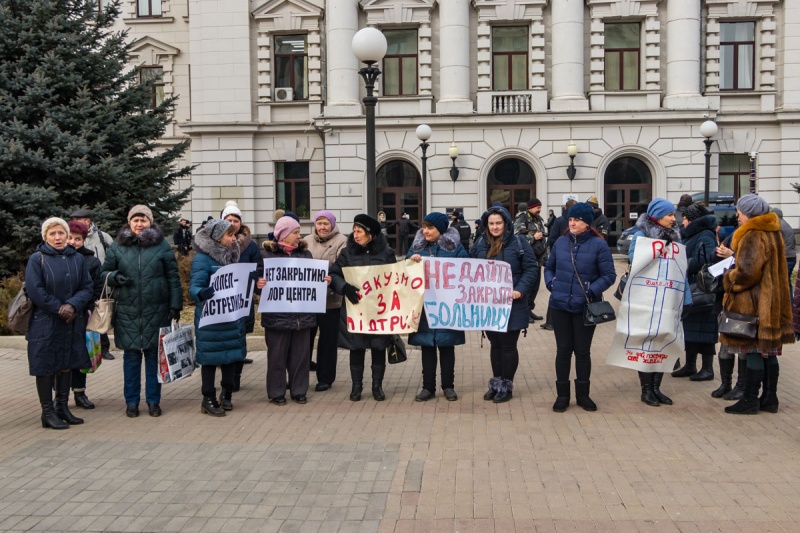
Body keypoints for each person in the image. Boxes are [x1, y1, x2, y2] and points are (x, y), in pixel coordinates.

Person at [102, 205, 183, 418]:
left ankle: (154, 401)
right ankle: (131, 402)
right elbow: (103, 273)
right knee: (131, 359)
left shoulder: (161, 245)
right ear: (129, 223)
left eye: (143, 220)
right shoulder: (118, 246)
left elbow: (173, 277)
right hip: (127, 311)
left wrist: (175, 305)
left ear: (150, 222)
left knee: (153, 358)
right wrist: (113, 278)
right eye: (135, 220)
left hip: (156, 310)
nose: (139, 224)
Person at [722, 195, 794, 414]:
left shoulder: (753, 235)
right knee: (769, 351)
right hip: (773, 301)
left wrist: (729, 278)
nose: (738, 216)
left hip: (755, 302)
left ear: (749, 213)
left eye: (740, 212)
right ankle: (770, 398)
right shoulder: (773, 232)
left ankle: (750, 400)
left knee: (754, 350)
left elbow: (747, 272)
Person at [544, 203, 616, 412]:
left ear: (587, 223)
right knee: (563, 351)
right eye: (570, 219)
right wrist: (552, 284)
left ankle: (583, 395)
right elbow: (549, 267)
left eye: (577, 220)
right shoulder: (560, 242)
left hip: (585, 307)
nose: (572, 223)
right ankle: (562, 396)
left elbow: (609, 275)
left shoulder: (598, 245)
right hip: (560, 305)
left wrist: (591, 290)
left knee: (582, 352)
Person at [26, 218, 93, 429]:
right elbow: (35, 290)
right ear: (45, 236)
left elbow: (87, 287)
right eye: (53, 233)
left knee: (66, 364)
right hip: (45, 322)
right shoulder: (37, 259)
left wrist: (72, 305)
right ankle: (47, 412)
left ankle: (62, 407)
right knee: (45, 366)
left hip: (71, 321)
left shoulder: (77, 259)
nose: (57, 237)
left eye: (61, 233)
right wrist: (58, 307)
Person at [191, 219, 262, 416]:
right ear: (217, 237)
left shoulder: (233, 256)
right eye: (230, 235)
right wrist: (201, 293)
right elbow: (194, 287)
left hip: (231, 317)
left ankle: (227, 394)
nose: (234, 238)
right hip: (211, 321)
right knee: (210, 360)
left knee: (231, 358)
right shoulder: (202, 259)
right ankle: (208, 398)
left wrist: (254, 281)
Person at [470, 205, 537, 403]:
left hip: (512, 303)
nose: (495, 227)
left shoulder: (519, 242)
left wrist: (520, 289)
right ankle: (496, 382)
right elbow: (469, 265)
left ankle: (506, 385)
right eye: (491, 223)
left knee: (508, 345)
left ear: (506, 223)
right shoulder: (481, 242)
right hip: (489, 305)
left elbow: (531, 269)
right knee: (495, 344)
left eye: (498, 223)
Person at [627, 198, 688, 407]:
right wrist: (658, 250)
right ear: (657, 216)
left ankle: (657, 388)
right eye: (669, 215)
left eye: (674, 215)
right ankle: (646, 390)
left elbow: (681, 270)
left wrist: (685, 298)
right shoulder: (641, 235)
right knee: (648, 343)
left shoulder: (676, 237)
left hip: (669, 298)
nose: (674, 219)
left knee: (664, 341)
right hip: (647, 298)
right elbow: (633, 259)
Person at [330, 214, 397, 402]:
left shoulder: (386, 253)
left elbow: (396, 278)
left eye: (359, 231)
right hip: (355, 309)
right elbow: (334, 274)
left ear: (371, 234)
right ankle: (356, 387)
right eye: (354, 230)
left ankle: (377, 386)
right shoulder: (348, 253)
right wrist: (345, 288)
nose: (355, 234)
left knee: (378, 347)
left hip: (379, 310)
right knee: (356, 348)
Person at [406, 212, 468, 401]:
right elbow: (405, 272)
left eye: (430, 227)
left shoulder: (455, 248)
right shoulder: (416, 247)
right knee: (427, 347)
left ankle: (448, 386)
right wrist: (411, 261)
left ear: (440, 230)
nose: (425, 231)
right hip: (425, 306)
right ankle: (428, 387)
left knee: (447, 346)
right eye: (424, 227)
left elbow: (466, 269)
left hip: (447, 306)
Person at [262, 216, 317, 405]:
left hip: (302, 315)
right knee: (277, 356)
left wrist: (322, 281)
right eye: (295, 232)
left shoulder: (305, 255)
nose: (298, 235)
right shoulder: (267, 256)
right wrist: (258, 284)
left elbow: (312, 281)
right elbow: (255, 282)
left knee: (301, 356)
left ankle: (299, 390)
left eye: (298, 232)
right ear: (283, 235)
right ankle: (277, 392)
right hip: (277, 317)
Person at [304, 210, 347, 392]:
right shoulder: (305, 240)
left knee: (327, 341)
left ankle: (325, 378)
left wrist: (328, 275)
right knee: (304, 340)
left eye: (325, 223)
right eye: (319, 223)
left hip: (330, 300)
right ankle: (300, 376)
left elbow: (342, 266)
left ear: (332, 224)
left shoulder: (341, 241)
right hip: (307, 299)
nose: (322, 227)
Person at [675, 203, 719, 382]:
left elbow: (706, 260)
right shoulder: (689, 234)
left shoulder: (706, 235)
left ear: (693, 220)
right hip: (691, 288)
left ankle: (707, 369)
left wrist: (682, 262)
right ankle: (690, 365)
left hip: (703, 289)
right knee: (690, 329)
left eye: (685, 218)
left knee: (706, 330)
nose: (682, 221)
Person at [221, 203, 262, 382]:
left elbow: (259, 267)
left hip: (243, 298)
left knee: (240, 336)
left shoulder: (250, 245)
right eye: (228, 220)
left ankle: (236, 376)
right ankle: (226, 374)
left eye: (235, 220)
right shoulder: (215, 243)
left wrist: (255, 277)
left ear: (240, 223)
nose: (232, 223)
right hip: (223, 299)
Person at [66, 220, 104, 410]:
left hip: (81, 314)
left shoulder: (91, 261)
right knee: (62, 356)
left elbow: (96, 288)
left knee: (81, 354)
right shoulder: (55, 258)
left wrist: (81, 305)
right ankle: (61, 395)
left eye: (78, 239)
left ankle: (79, 392)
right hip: (61, 315)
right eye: (70, 238)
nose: (73, 242)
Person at [70, 208, 115, 360]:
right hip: (82, 288)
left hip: (101, 282)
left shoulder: (103, 236)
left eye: (78, 220)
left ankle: (104, 348)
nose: (76, 223)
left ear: (87, 221)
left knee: (100, 316)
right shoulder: (72, 236)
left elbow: (113, 255)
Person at [541, 199, 577, 331]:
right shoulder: (564, 220)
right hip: (574, 261)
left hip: (561, 261)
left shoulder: (560, 220)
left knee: (558, 290)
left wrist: (555, 252)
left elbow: (552, 238)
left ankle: (551, 321)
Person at [514, 198, 547, 321]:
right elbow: (517, 237)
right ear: (531, 207)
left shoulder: (538, 219)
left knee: (535, 286)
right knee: (528, 285)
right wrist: (533, 237)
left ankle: (529, 309)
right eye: (538, 207)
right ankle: (524, 313)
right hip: (526, 258)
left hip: (538, 258)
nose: (540, 210)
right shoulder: (522, 219)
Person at [771, 207, 796, 296]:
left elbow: (775, 243)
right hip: (791, 257)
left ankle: (787, 304)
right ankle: (791, 303)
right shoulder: (786, 224)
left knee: (781, 283)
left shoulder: (778, 226)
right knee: (787, 282)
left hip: (786, 258)